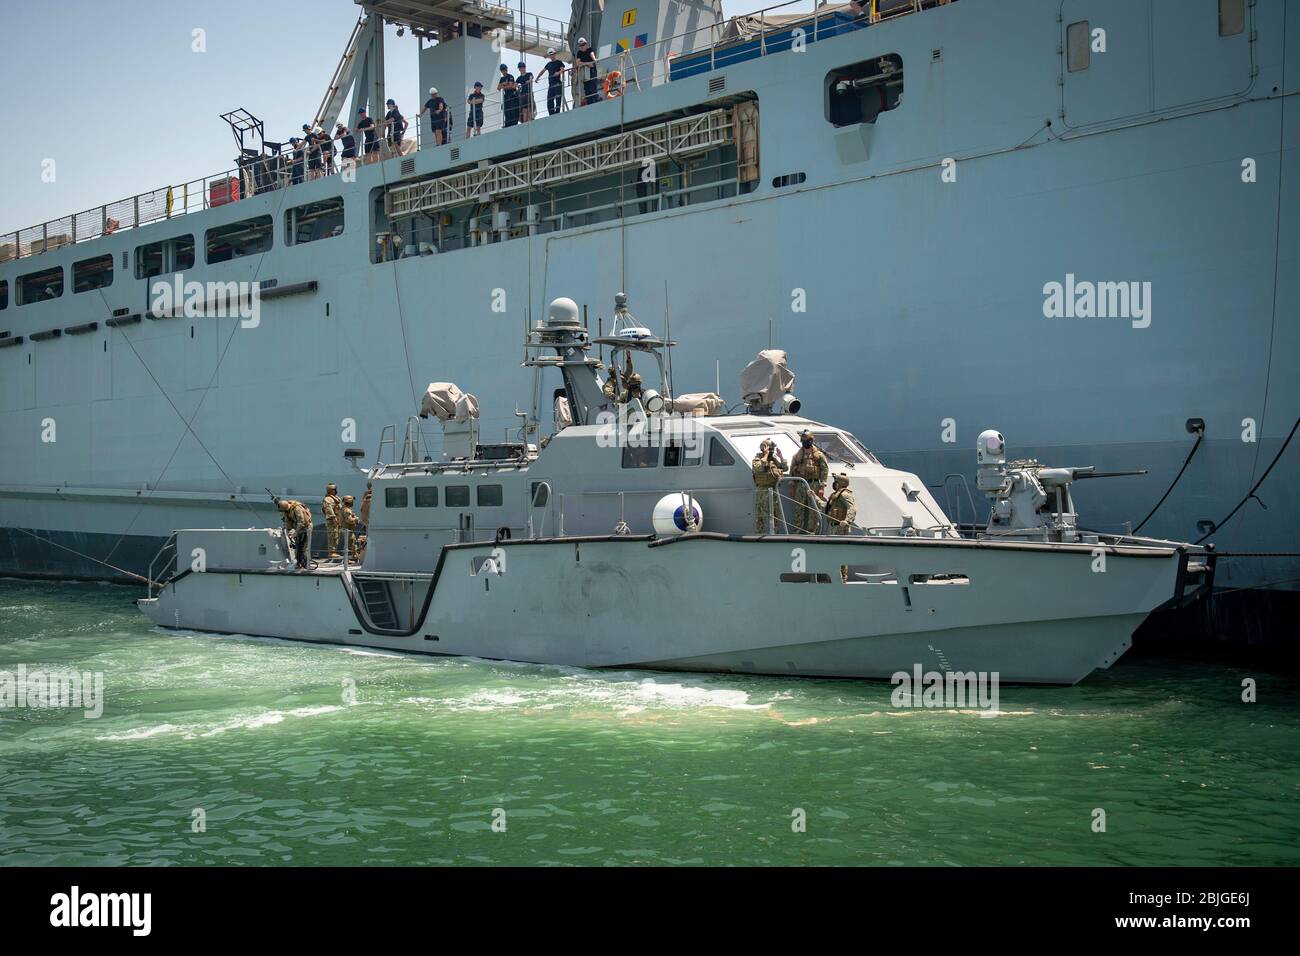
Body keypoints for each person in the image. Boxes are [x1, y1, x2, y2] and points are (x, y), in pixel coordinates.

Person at [789, 430, 829, 533]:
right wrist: (792, 485)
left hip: (814, 484)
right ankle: (797, 532)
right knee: (798, 509)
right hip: (801, 484)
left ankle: (812, 532)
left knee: (813, 510)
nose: (804, 442)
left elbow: (824, 469)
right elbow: (792, 470)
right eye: (803, 441)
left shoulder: (818, 455)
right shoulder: (797, 455)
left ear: (811, 441)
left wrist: (822, 486)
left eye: (806, 440)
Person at [751, 439, 787, 533]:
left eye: (772, 449)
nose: (771, 451)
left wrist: (781, 457)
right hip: (762, 491)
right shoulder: (757, 458)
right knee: (760, 515)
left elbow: (785, 468)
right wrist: (765, 455)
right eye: (770, 449)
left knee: (774, 515)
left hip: (773, 490)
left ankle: (774, 533)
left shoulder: (773, 459)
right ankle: (759, 533)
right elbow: (759, 468)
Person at [277, 499, 314, 569]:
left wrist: (295, 532)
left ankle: (305, 564)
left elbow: (301, 522)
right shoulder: (287, 511)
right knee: (297, 546)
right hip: (298, 529)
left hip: (306, 528)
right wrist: (288, 531)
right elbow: (288, 522)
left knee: (303, 547)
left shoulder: (297, 509)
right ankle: (299, 563)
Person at [575, 37, 600, 105]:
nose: (582, 46)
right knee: (587, 88)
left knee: (593, 86)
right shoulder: (579, 53)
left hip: (592, 71)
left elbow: (592, 55)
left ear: (586, 44)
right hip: (585, 73)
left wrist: (594, 60)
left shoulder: (589, 50)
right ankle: (589, 102)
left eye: (583, 45)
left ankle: (595, 100)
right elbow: (577, 63)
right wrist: (587, 64)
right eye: (580, 45)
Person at [341, 494, 365, 563]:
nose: (353, 503)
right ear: (349, 502)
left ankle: (349, 559)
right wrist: (356, 519)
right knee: (349, 545)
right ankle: (347, 560)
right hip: (347, 530)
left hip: (347, 529)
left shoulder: (344, 509)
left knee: (351, 544)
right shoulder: (347, 510)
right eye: (352, 501)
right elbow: (349, 520)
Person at [322, 483, 343, 558]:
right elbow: (329, 510)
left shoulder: (336, 498)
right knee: (332, 536)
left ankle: (334, 551)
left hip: (337, 519)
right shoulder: (327, 499)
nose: (335, 491)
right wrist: (334, 518)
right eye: (333, 489)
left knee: (336, 536)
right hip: (332, 521)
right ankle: (331, 552)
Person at [543, 49, 566, 114]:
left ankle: (557, 112)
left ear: (555, 54)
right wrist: (537, 78)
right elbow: (543, 71)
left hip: (557, 83)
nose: (552, 56)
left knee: (558, 98)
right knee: (550, 99)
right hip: (551, 84)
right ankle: (551, 113)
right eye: (550, 55)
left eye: (553, 54)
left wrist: (558, 73)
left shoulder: (559, 62)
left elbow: (562, 69)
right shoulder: (549, 64)